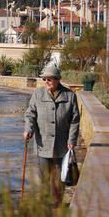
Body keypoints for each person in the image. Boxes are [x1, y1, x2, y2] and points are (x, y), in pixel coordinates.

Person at [23, 65, 80, 206]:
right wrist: (28, 129)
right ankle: (44, 202)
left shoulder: (70, 96)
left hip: (62, 144)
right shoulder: (38, 94)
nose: (47, 81)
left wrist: (72, 140)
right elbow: (30, 114)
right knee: (44, 176)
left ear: (58, 80)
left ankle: (57, 203)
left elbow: (75, 120)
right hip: (43, 143)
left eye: (50, 79)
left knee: (60, 176)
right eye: (45, 79)